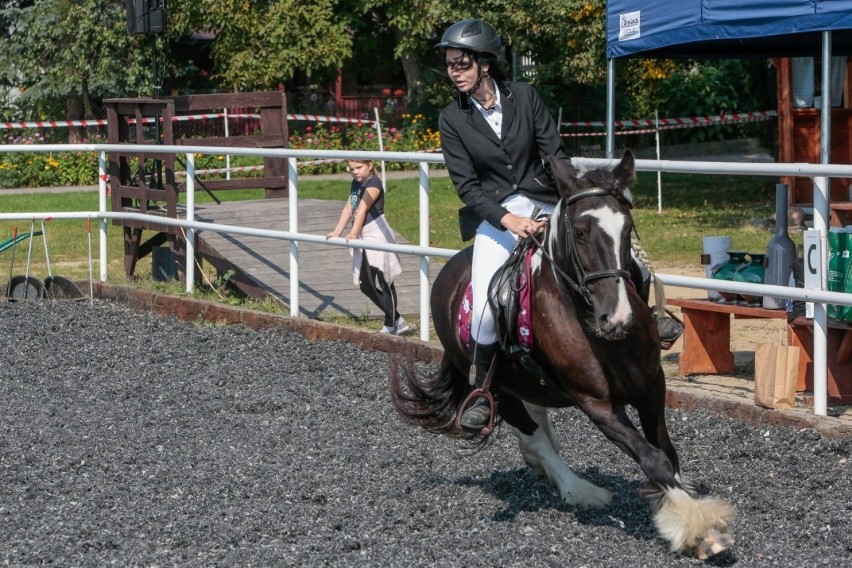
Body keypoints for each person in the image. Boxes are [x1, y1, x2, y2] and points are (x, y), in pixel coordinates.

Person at [435, 19, 683, 433]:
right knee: (482, 310)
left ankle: (651, 317)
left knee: (624, 258)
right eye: (449, 65)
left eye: (461, 63)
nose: (454, 71)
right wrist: (508, 220)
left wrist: (573, 196)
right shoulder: (451, 119)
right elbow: (467, 187)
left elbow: (555, 154)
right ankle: (483, 390)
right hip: (498, 216)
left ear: (484, 64)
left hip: (548, 200)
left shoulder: (525, 97)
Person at [327, 159, 409, 335]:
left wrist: (354, 233)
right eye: (351, 169)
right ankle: (398, 319)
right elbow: (349, 208)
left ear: (370, 165)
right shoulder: (355, 184)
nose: (355, 172)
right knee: (365, 284)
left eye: (359, 168)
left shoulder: (374, 183)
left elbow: (363, 208)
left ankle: (390, 323)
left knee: (384, 278)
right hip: (363, 233)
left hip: (377, 233)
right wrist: (337, 231)